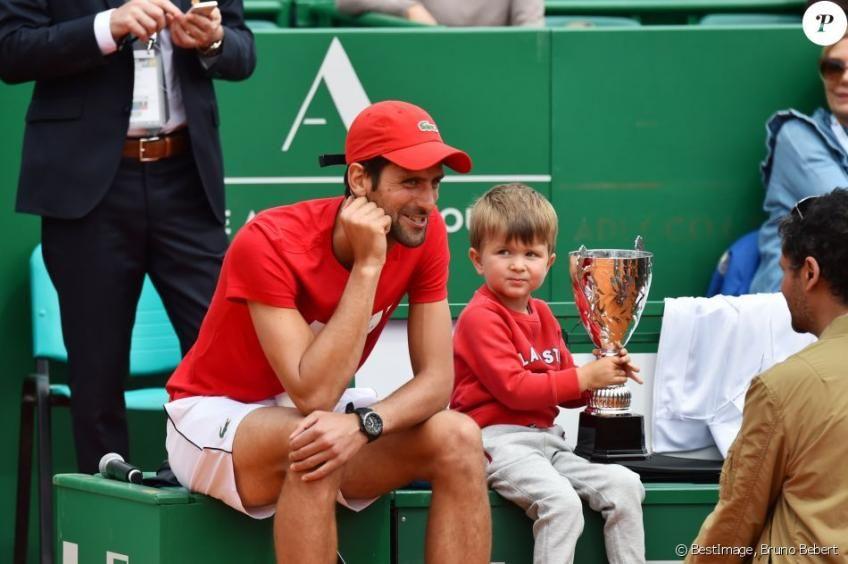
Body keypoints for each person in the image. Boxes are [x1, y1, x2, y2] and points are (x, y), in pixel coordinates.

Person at [164, 100, 492, 562]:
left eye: (435, 184)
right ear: (360, 180)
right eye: (411, 183)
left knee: (458, 437)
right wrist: (368, 266)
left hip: (316, 415)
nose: (428, 203)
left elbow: (437, 382)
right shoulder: (267, 241)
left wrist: (364, 424)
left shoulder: (426, 232)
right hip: (214, 413)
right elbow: (313, 394)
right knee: (314, 440)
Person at [0, 0, 255, 473]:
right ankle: (107, 521)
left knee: (223, 347)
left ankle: (211, 493)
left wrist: (212, 40)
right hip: (88, 184)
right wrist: (105, 27)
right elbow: (12, 50)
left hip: (185, 177)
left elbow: (243, 50)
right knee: (96, 371)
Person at [450, 183, 646, 564]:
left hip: (549, 445)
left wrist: (603, 375)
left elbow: (564, 391)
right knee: (562, 505)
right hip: (496, 445)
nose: (518, 264)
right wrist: (585, 377)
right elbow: (516, 391)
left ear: (550, 262)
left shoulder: (542, 313)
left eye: (531, 253)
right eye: (503, 252)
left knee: (627, 485)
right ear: (477, 259)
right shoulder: (480, 316)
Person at [687, 188, 848, 563]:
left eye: (782, 270)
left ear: (809, 273)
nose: (780, 286)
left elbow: (734, 525)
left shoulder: (782, 389)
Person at [749, 35, 848, 293]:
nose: (844, 78)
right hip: (790, 310)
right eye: (833, 67)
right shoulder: (797, 137)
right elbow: (842, 216)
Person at [335, 0, 543, 26]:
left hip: (496, 70)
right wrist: (408, 8)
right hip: (423, 69)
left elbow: (531, 31)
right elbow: (347, 2)